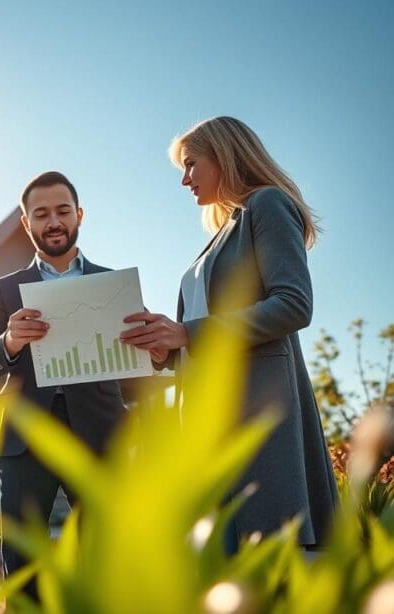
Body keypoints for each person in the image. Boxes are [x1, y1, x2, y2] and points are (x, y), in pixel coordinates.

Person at [121, 116, 338, 552]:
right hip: (204, 421)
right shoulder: (220, 236)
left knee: (262, 564)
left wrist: (187, 333)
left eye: (191, 164)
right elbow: (198, 340)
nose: (184, 180)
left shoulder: (268, 204)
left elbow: (294, 304)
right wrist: (164, 344)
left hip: (252, 415)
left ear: (224, 155)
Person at [0, 171, 127, 593]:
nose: (53, 221)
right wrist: (9, 340)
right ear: (27, 223)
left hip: (100, 432)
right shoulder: (6, 290)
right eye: (41, 214)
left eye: (62, 211)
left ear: (78, 215)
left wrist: (152, 349)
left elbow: (141, 362)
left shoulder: (112, 285)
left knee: (104, 557)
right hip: (25, 437)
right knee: (23, 563)